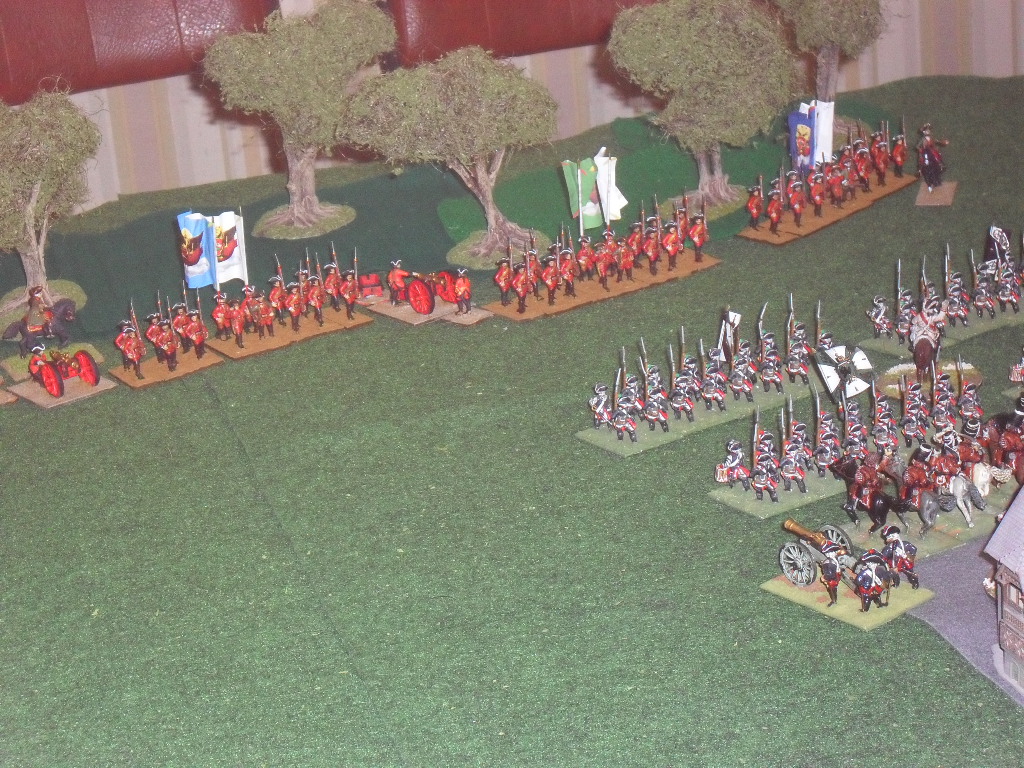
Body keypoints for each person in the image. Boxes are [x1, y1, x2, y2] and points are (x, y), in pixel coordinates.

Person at [879, 525, 919, 589]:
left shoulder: (905, 544)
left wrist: (909, 557)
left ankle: (915, 582)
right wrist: (887, 566)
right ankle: (896, 584)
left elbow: (913, 549)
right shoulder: (888, 549)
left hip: (905, 562)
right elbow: (882, 558)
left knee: (911, 573)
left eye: (889, 537)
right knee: (894, 575)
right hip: (894, 564)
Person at [916, 123, 949, 192]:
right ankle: (919, 170)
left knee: (937, 155)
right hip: (925, 152)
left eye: (929, 130)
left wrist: (943, 142)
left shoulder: (931, 138)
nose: (928, 132)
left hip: (931, 151)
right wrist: (921, 150)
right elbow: (917, 146)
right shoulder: (922, 139)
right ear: (924, 132)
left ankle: (940, 165)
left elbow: (937, 141)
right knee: (923, 161)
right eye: (927, 131)